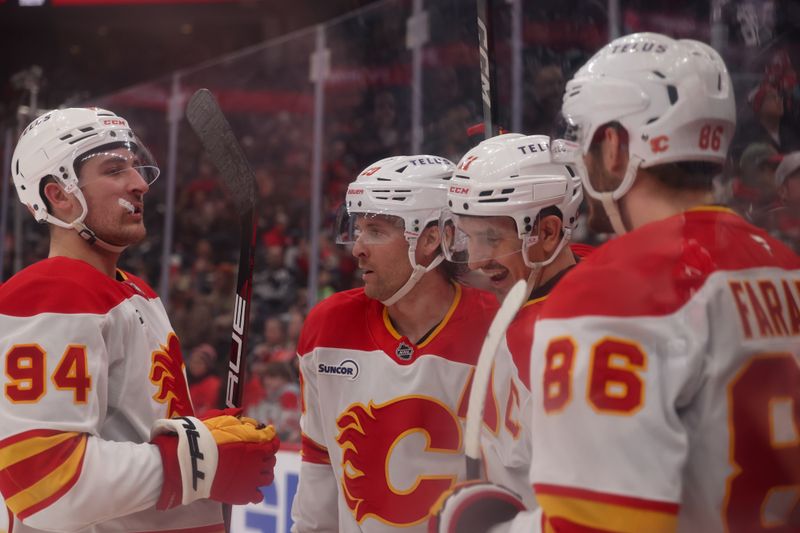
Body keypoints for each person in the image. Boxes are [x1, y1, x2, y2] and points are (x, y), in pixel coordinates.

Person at [0, 107, 279, 532]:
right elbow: (44, 481)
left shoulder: (133, 289)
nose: (140, 184)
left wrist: (203, 435)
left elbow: (130, 430)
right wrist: (198, 461)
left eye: (136, 167)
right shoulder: (52, 291)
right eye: (114, 170)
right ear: (58, 195)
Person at [291, 154, 531, 532]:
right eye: (357, 229)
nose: (357, 248)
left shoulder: (500, 330)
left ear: (432, 238)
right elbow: (320, 461)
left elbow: (523, 475)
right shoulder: (328, 326)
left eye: (375, 230)